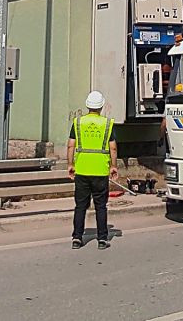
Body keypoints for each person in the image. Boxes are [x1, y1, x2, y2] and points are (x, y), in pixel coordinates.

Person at [68, 90, 118, 249]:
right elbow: (113, 148)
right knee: (100, 206)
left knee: (80, 206)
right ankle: (102, 239)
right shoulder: (107, 124)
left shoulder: (78, 123)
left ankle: (77, 238)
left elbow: (71, 145)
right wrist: (113, 166)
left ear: (87, 105)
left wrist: (70, 164)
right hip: (100, 171)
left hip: (82, 170)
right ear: (101, 106)